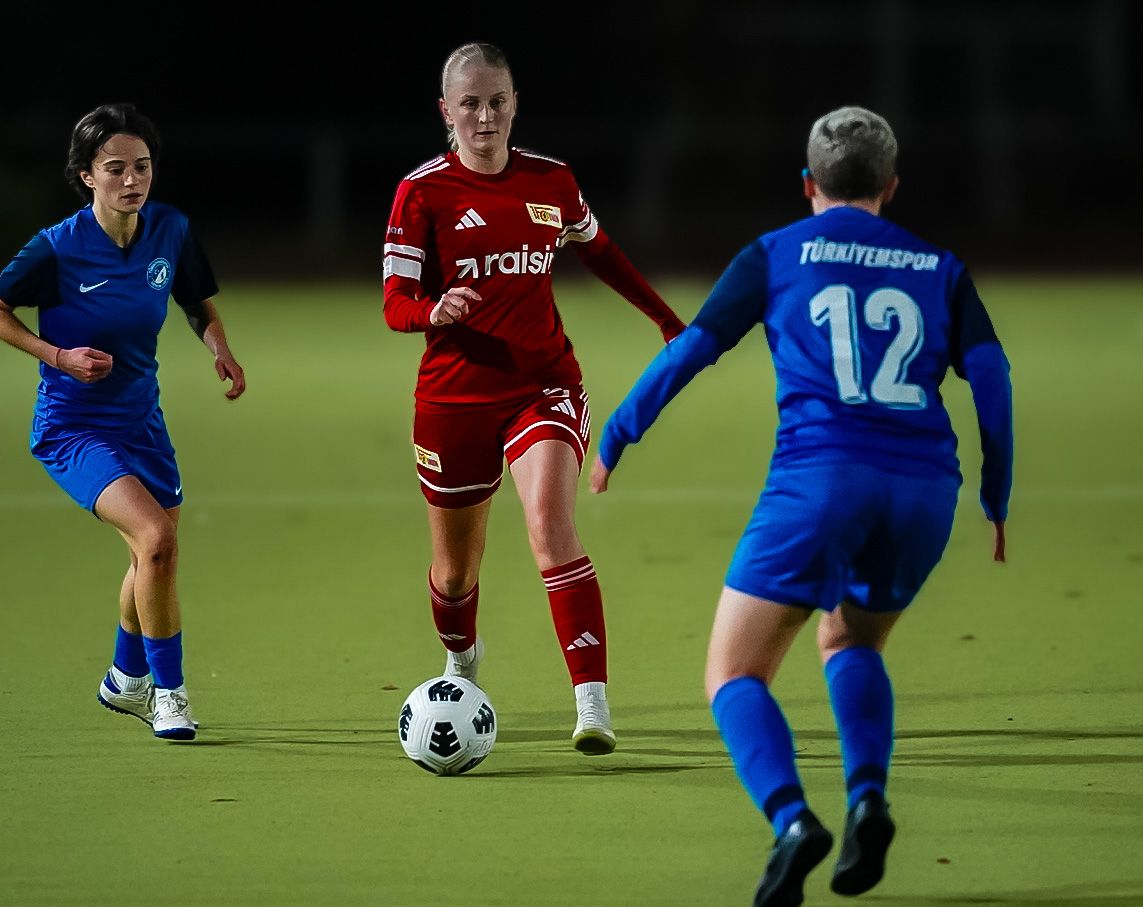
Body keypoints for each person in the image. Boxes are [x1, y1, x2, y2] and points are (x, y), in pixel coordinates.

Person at [590, 106, 1013, 904]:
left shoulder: (777, 251)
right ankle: (868, 800)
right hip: (926, 489)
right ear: (891, 186)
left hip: (820, 480)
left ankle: (791, 821)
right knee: (851, 638)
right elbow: (992, 378)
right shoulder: (939, 265)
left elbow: (692, 349)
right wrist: (997, 490)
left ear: (808, 184)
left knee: (733, 671)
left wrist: (618, 431)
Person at [382, 41, 686, 755]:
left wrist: (666, 319)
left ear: (515, 103)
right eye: (470, 104)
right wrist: (434, 312)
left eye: (496, 101)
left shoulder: (552, 181)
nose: (484, 117)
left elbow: (600, 248)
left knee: (550, 526)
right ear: (446, 111)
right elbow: (395, 300)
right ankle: (461, 660)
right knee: (456, 572)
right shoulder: (421, 191)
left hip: (543, 384)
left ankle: (592, 704)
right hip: (453, 398)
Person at [0, 102, 246, 742]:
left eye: (143, 167)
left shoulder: (170, 230)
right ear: (86, 175)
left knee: (152, 556)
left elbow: (193, 298)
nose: (132, 180)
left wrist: (221, 349)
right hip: (73, 428)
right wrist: (58, 356)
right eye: (116, 168)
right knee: (155, 541)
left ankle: (123, 679)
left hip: (141, 422)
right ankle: (169, 696)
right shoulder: (56, 248)